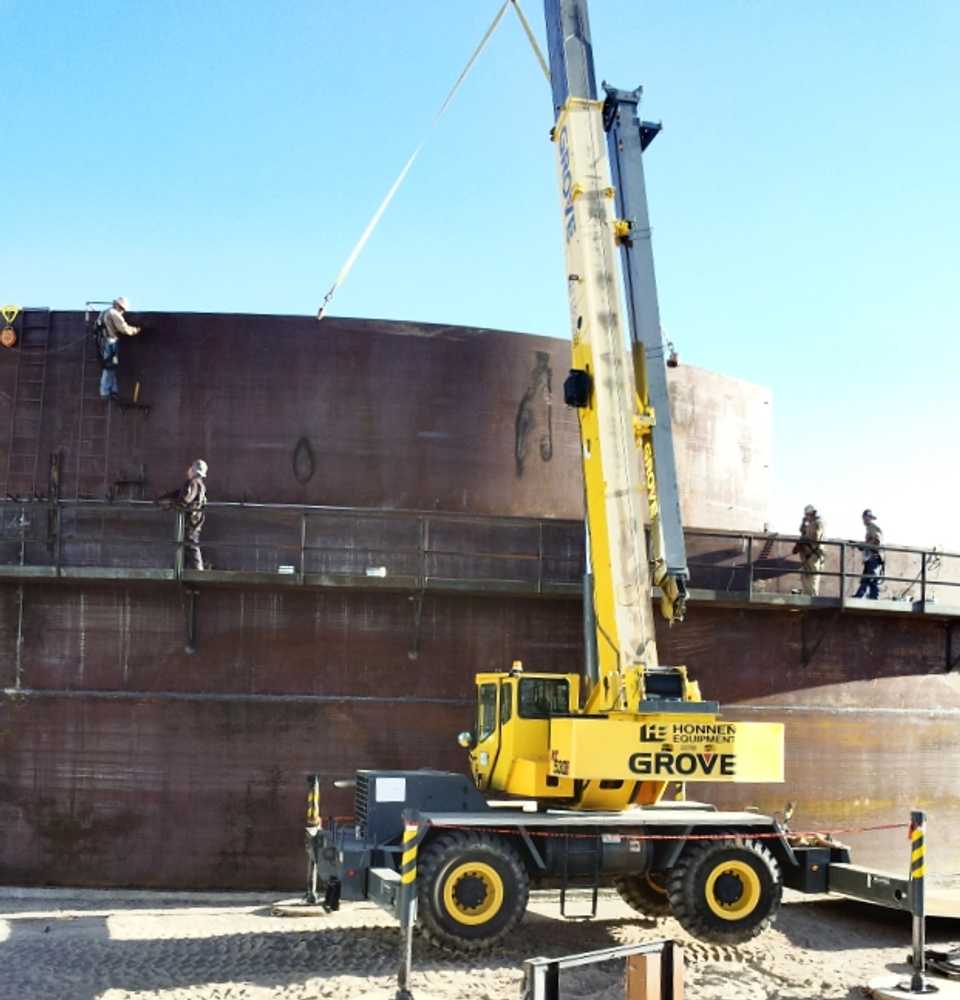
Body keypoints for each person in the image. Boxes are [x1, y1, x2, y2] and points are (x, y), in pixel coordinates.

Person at [158, 460, 209, 570]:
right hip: (195, 521)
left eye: (191, 468)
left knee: (191, 545)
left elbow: (185, 500)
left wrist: (170, 504)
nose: (188, 470)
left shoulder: (193, 483)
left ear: (194, 470)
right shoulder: (200, 484)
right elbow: (178, 493)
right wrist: (163, 499)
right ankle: (178, 569)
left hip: (190, 522)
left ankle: (198, 571)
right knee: (185, 546)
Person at [96, 297, 140, 400]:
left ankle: (112, 390)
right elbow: (124, 328)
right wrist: (136, 330)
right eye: (122, 309)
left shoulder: (104, 312)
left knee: (112, 366)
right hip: (110, 342)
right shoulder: (114, 313)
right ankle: (105, 391)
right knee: (109, 366)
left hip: (103, 342)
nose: (123, 312)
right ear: (118, 306)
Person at [793, 504, 825, 596]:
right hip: (807, 554)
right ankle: (807, 597)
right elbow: (802, 531)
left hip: (814, 554)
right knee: (804, 577)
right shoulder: (809, 524)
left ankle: (813, 599)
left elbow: (816, 538)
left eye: (808, 515)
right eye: (806, 515)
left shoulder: (818, 523)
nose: (807, 517)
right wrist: (804, 523)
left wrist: (805, 541)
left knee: (812, 579)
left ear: (812, 514)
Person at [854, 508, 884, 599]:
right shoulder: (869, 528)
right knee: (866, 578)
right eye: (864, 518)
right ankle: (860, 595)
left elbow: (877, 541)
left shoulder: (873, 527)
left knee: (872, 578)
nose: (865, 520)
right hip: (870, 557)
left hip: (874, 556)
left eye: (866, 518)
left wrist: (865, 545)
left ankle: (874, 597)